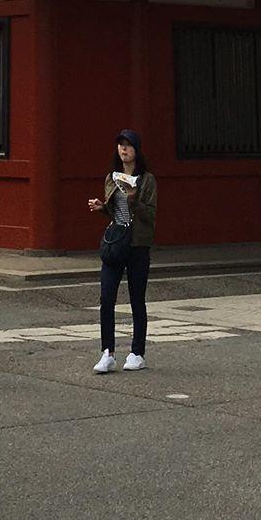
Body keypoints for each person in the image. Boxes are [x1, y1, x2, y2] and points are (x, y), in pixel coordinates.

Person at [89, 130, 158, 370]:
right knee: (106, 298)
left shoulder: (147, 180)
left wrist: (133, 198)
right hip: (116, 241)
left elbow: (150, 215)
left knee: (137, 299)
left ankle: (137, 353)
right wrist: (102, 207)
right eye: (121, 145)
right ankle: (107, 352)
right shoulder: (112, 178)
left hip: (138, 245)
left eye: (128, 145)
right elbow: (115, 212)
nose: (124, 149)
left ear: (137, 150)